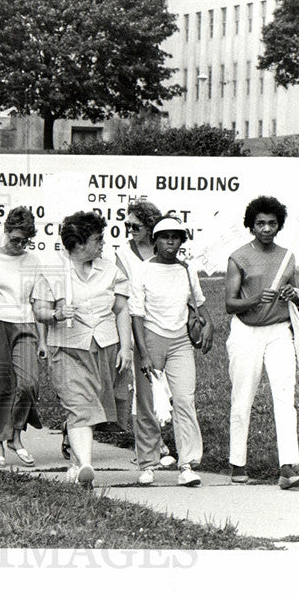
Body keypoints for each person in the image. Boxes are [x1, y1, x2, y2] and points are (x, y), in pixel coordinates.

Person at [33, 211, 134, 487]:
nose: (102, 243)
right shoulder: (53, 269)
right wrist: (55, 314)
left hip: (104, 347)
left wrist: (126, 348)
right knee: (80, 406)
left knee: (94, 407)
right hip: (66, 348)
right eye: (97, 238)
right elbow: (39, 309)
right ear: (79, 243)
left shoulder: (110, 270)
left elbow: (122, 309)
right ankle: (87, 466)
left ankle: (78, 463)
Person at [225, 195, 299, 490]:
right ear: (251, 225)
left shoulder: (287, 256)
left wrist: (290, 294)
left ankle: (287, 467)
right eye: (260, 223)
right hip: (246, 331)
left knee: (285, 397)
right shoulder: (238, 257)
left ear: (279, 225)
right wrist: (256, 299)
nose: (266, 229)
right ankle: (237, 463)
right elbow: (229, 304)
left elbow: (296, 292)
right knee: (242, 396)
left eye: (272, 223)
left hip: (279, 330)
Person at [128, 216, 214, 487]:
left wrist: (208, 324)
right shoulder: (142, 270)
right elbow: (136, 315)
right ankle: (148, 464)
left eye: (176, 237)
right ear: (154, 241)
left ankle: (187, 463)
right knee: (149, 404)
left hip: (180, 341)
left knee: (185, 400)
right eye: (165, 236)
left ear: (181, 241)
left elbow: (198, 303)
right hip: (150, 339)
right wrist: (143, 353)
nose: (170, 242)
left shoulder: (186, 270)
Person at [0, 206, 44, 467]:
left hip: (25, 324)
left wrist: (44, 340)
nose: (20, 245)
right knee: (0, 386)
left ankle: (16, 436)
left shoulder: (33, 260)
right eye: (15, 239)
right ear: (5, 232)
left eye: (25, 240)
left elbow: (37, 302)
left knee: (29, 383)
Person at [113, 199, 175, 471]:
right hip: (137, 326)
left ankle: (156, 442)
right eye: (127, 225)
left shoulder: (165, 249)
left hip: (165, 325)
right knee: (142, 390)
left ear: (150, 226)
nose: (130, 230)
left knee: (164, 390)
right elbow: (123, 298)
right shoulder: (123, 254)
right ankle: (149, 448)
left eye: (135, 226)